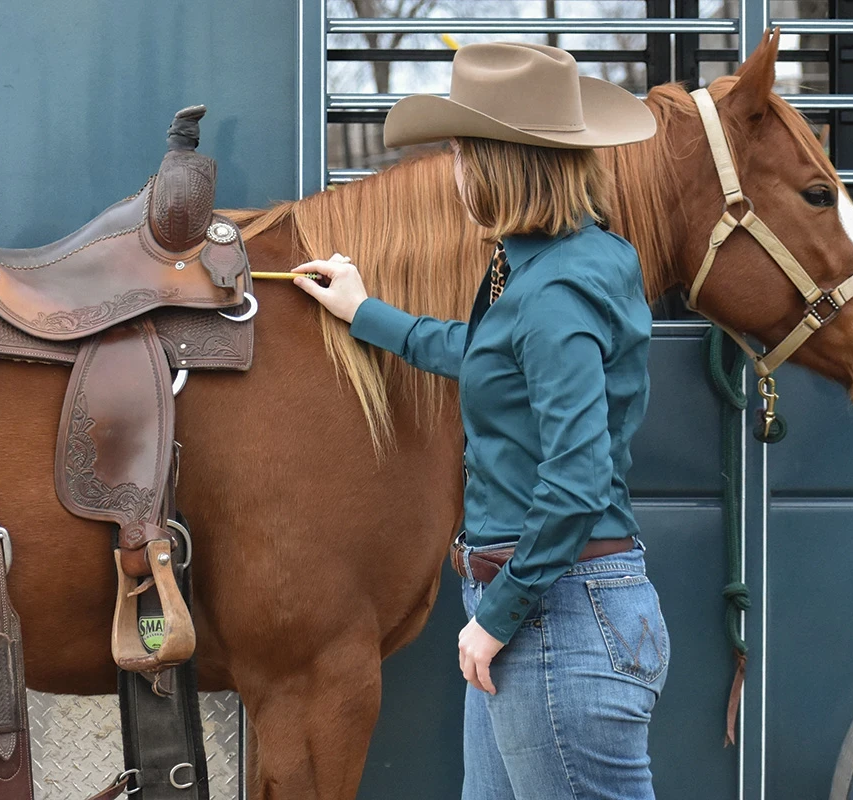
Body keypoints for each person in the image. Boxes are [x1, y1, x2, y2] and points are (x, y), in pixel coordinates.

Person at [293, 42, 669, 799]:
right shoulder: (571, 261)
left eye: (462, 151)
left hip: (553, 614)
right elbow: (491, 355)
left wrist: (496, 615)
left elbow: (576, 483)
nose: (454, 169)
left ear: (497, 165)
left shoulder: (553, 292)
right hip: (551, 609)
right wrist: (367, 313)